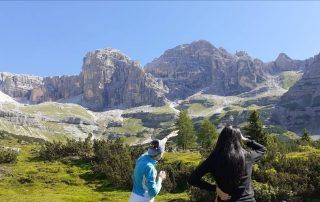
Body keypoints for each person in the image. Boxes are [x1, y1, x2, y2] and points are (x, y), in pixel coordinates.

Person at [188, 125, 267, 202]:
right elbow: (262, 149)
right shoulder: (248, 156)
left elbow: (192, 179)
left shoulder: (214, 159)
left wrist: (215, 188)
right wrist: (245, 140)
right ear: (239, 139)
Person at [129, 130, 179, 202]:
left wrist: (168, 136)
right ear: (160, 154)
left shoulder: (142, 157)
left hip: (133, 197)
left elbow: (159, 144)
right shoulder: (150, 168)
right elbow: (153, 193)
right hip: (144, 199)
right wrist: (160, 179)